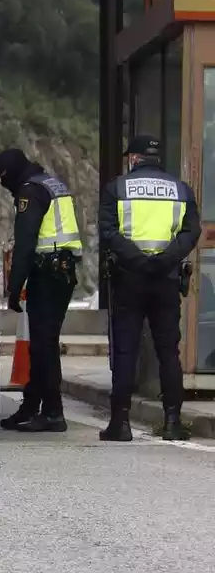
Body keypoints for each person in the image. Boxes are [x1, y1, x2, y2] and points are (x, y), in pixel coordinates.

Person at [97, 134, 199, 442]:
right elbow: (190, 231)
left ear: (133, 158)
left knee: (126, 348)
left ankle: (121, 423)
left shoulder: (117, 188)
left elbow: (108, 231)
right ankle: (172, 421)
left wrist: (138, 260)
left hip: (129, 277)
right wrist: (164, 259)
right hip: (166, 278)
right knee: (168, 350)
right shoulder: (181, 190)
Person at [0, 148, 82, 432]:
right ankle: (31, 407)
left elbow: (26, 245)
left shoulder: (30, 192)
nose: (3, 185)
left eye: (2, 178)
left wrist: (14, 289)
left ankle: (53, 413)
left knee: (44, 347)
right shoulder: (51, 184)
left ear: (10, 173)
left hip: (48, 274)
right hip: (61, 271)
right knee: (43, 344)